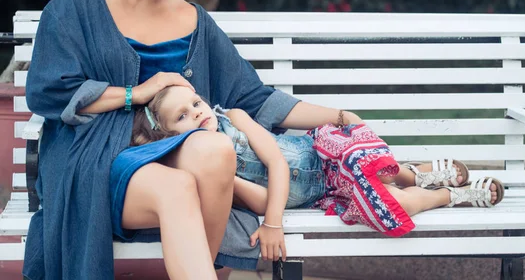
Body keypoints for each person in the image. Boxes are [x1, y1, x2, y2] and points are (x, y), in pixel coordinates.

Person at [22, 0, 367, 280]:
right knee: (176, 188)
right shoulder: (77, 5)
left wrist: (339, 116)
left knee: (214, 148)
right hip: (93, 154)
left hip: (173, 149)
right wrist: (140, 92)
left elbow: (253, 97)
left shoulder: (194, 21)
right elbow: (49, 91)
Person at [130, 85, 505, 259]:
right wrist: (230, 179)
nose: (197, 111)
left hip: (324, 155)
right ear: (167, 137)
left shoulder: (236, 120)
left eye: (195, 101)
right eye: (182, 116)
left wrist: (273, 223)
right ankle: (449, 196)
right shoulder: (205, 177)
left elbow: (276, 162)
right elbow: (257, 200)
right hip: (324, 195)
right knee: (386, 204)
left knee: (369, 167)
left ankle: (413, 173)